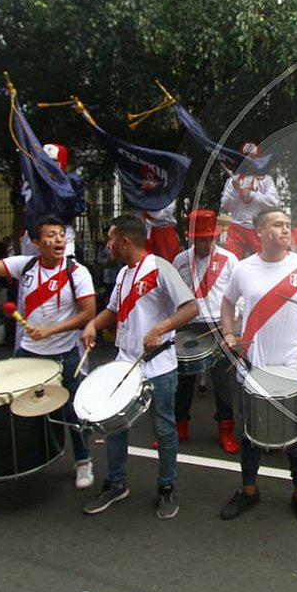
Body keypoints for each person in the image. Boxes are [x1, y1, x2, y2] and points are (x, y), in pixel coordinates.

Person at [0, 216, 97, 489]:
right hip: (28, 353)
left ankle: (83, 461)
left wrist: (52, 331)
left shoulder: (77, 272)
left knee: (72, 413)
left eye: (61, 235)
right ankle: (6, 464)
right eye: (51, 236)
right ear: (35, 242)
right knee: (8, 408)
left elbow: (88, 313)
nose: (58, 240)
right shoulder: (27, 265)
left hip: (64, 354)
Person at [79, 215, 198, 519]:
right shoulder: (123, 275)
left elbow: (190, 307)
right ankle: (116, 484)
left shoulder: (161, 268)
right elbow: (113, 310)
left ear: (125, 241)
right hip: (124, 363)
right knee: (115, 425)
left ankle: (167, 487)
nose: (108, 245)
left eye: (110, 239)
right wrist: (93, 324)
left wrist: (161, 328)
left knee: (164, 427)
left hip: (158, 365)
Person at [217, 207, 297, 527]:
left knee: (296, 433)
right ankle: (248, 488)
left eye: (286, 224)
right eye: (277, 225)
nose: (285, 229)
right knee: (250, 433)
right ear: (261, 232)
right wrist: (227, 331)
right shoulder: (243, 269)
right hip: (254, 366)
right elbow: (227, 303)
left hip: (295, 365)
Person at [170, 208, 240, 453]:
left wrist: (233, 321)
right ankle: (180, 426)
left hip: (219, 326)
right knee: (183, 380)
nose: (206, 243)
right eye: (201, 239)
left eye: (209, 238)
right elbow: (173, 294)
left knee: (222, 382)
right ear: (192, 238)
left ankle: (226, 430)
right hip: (188, 325)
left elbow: (237, 295)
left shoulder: (229, 260)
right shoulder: (180, 260)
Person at [219, 142, 278, 259]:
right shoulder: (233, 180)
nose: (249, 160)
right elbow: (225, 205)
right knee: (230, 261)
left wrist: (252, 194)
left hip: (258, 228)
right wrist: (235, 191)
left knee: (264, 262)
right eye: (246, 157)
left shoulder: (266, 180)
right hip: (236, 227)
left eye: (253, 157)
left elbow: (274, 202)